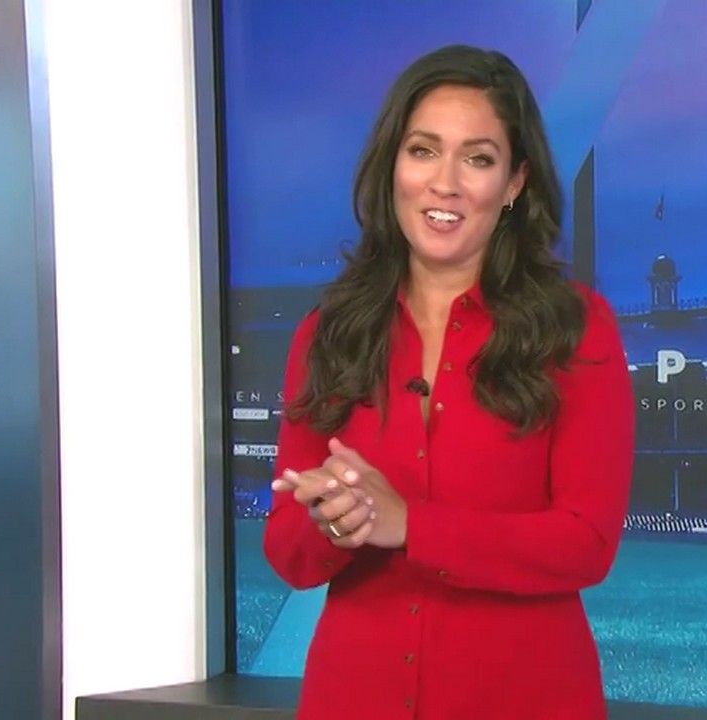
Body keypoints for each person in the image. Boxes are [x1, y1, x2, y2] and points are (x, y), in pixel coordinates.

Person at [265, 44, 634, 720]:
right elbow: (289, 553)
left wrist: (411, 525)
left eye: (478, 159)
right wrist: (336, 523)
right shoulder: (329, 333)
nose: (446, 183)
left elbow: (587, 544)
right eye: (423, 151)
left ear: (515, 183)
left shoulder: (576, 329)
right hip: (354, 698)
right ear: (393, 166)